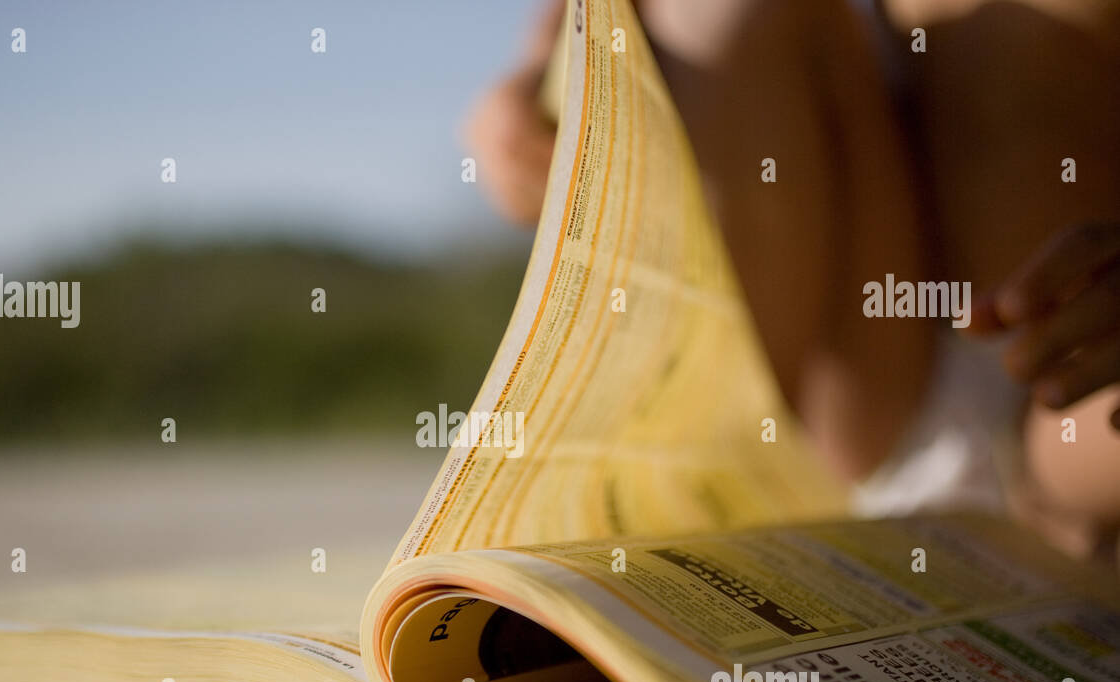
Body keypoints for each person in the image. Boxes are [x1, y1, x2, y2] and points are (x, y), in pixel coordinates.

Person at [465, 0, 1120, 566]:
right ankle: (707, 500)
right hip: (875, 384)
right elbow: (592, 28)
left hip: (1078, 383)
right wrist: (529, 93)